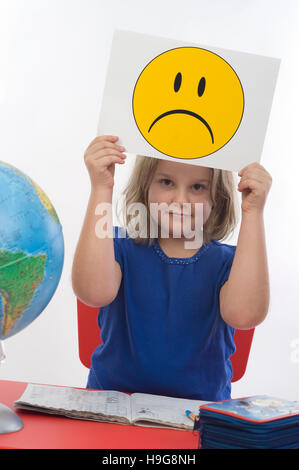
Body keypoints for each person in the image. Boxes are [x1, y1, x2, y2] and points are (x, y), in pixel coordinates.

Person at [71, 134, 272, 401]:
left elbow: (245, 315)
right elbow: (92, 292)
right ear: (145, 186)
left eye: (198, 187)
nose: (181, 199)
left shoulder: (230, 264)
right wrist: (101, 187)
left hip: (197, 417)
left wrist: (253, 212)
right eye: (166, 182)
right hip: (111, 408)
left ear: (218, 198)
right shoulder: (115, 246)